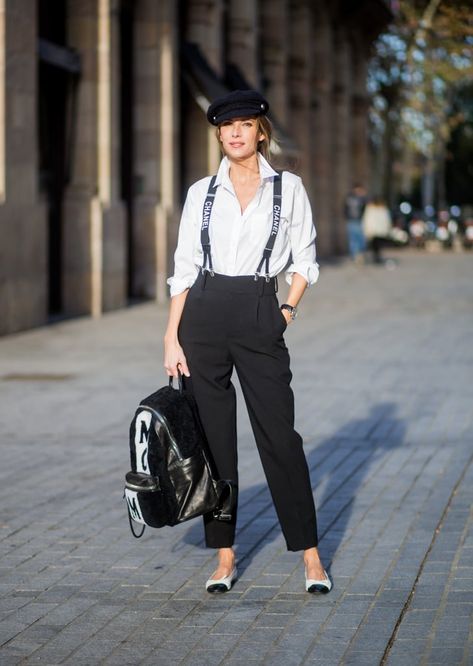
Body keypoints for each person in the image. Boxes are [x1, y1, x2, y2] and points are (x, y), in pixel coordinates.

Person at [164, 90, 331, 595]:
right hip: (204, 315)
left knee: (280, 437)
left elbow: (305, 258)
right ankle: (225, 555)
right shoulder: (201, 192)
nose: (235, 132)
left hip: (261, 309)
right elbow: (184, 269)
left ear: (261, 131)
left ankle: (311, 555)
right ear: (218, 134)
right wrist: (172, 336)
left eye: (245, 123)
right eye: (226, 125)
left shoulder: (288, 189)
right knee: (215, 442)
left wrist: (284, 311)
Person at [361, 197, 392, 264]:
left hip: (378, 230)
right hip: (374, 230)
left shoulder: (382, 209)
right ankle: (376, 256)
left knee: (377, 244)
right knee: (375, 244)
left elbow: (386, 220)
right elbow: (367, 219)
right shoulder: (371, 208)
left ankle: (377, 256)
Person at [344, 184, 367, 263]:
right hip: (353, 220)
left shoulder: (361, 199)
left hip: (358, 220)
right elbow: (345, 209)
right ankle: (356, 255)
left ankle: (358, 255)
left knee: (359, 239)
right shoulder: (351, 198)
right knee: (354, 239)